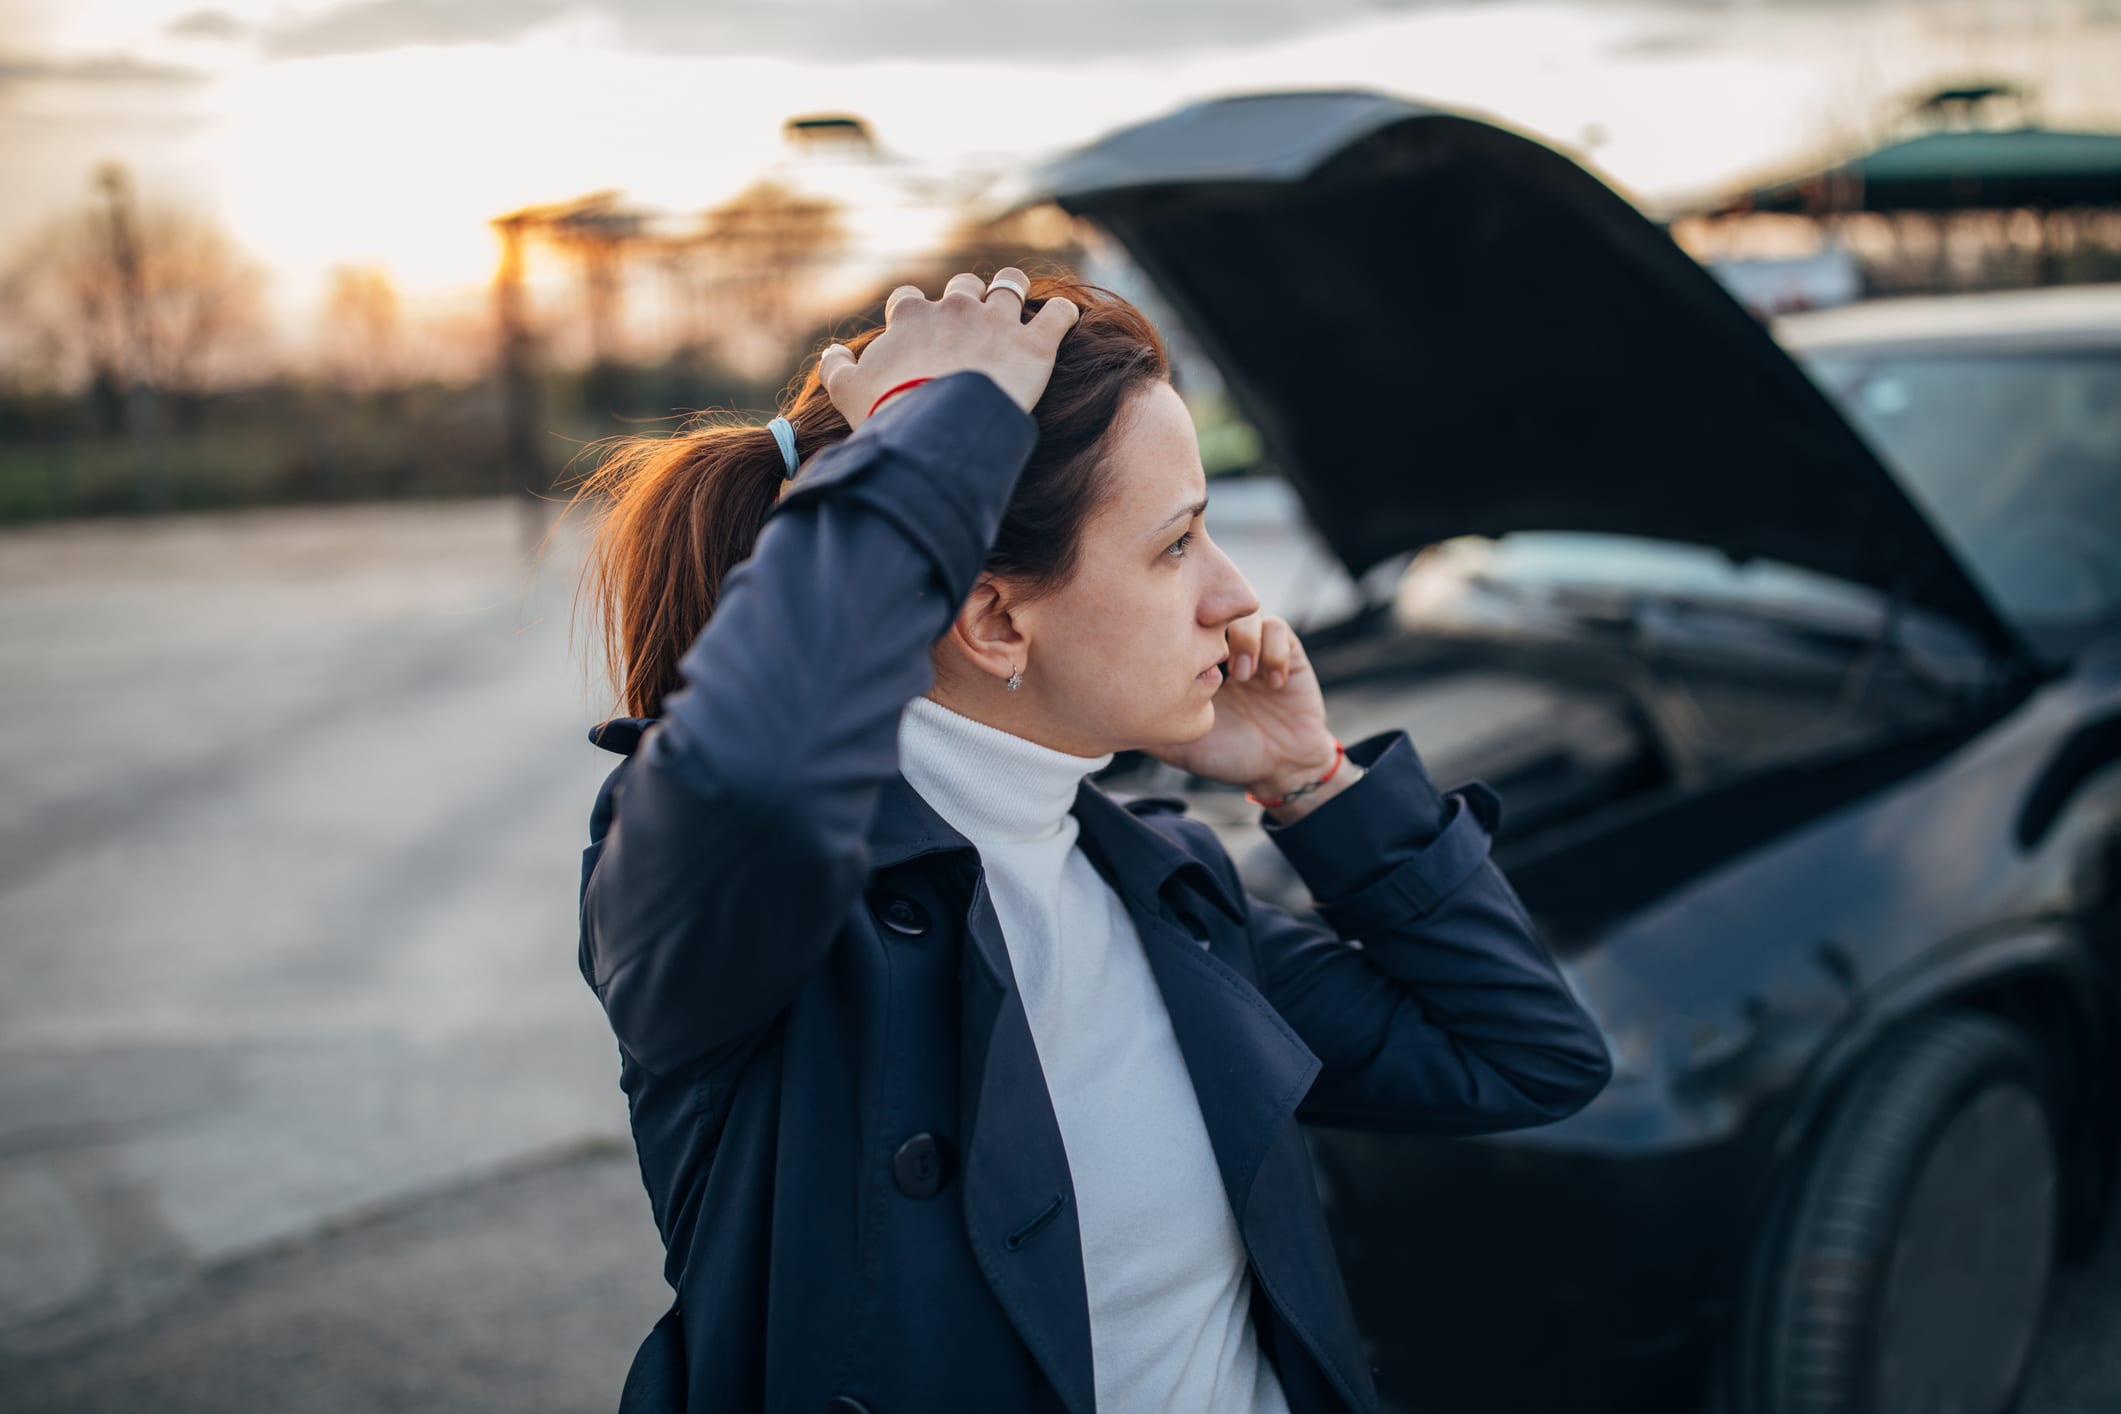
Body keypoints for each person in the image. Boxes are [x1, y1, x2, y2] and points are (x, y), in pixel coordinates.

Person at [568, 267, 1613, 1414]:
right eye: (1177, 546)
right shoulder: (762, 922)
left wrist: (1311, 779)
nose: (1234, 595)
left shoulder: (1162, 890)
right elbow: (753, 760)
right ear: (996, 619)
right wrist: (933, 436)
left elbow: (1527, 1056)